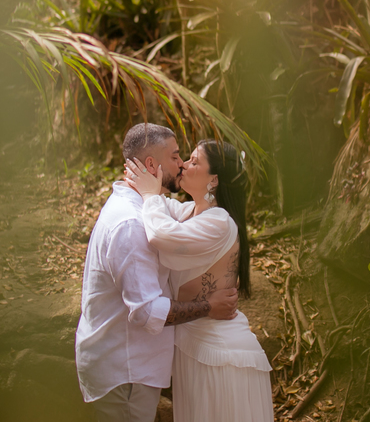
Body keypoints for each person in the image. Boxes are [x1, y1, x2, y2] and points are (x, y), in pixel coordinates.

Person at [76, 123, 240, 422]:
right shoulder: (131, 225)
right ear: (151, 164)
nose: (181, 164)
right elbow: (147, 311)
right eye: (176, 156)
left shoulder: (142, 208)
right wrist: (208, 307)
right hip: (125, 370)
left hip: (130, 367)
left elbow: (177, 215)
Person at [124, 140, 274, 422]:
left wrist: (149, 195)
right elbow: (165, 210)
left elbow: (160, 234)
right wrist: (149, 181)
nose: (184, 165)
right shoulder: (192, 212)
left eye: (194, 161)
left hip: (219, 355)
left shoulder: (219, 222)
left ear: (214, 179)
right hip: (197, 349)